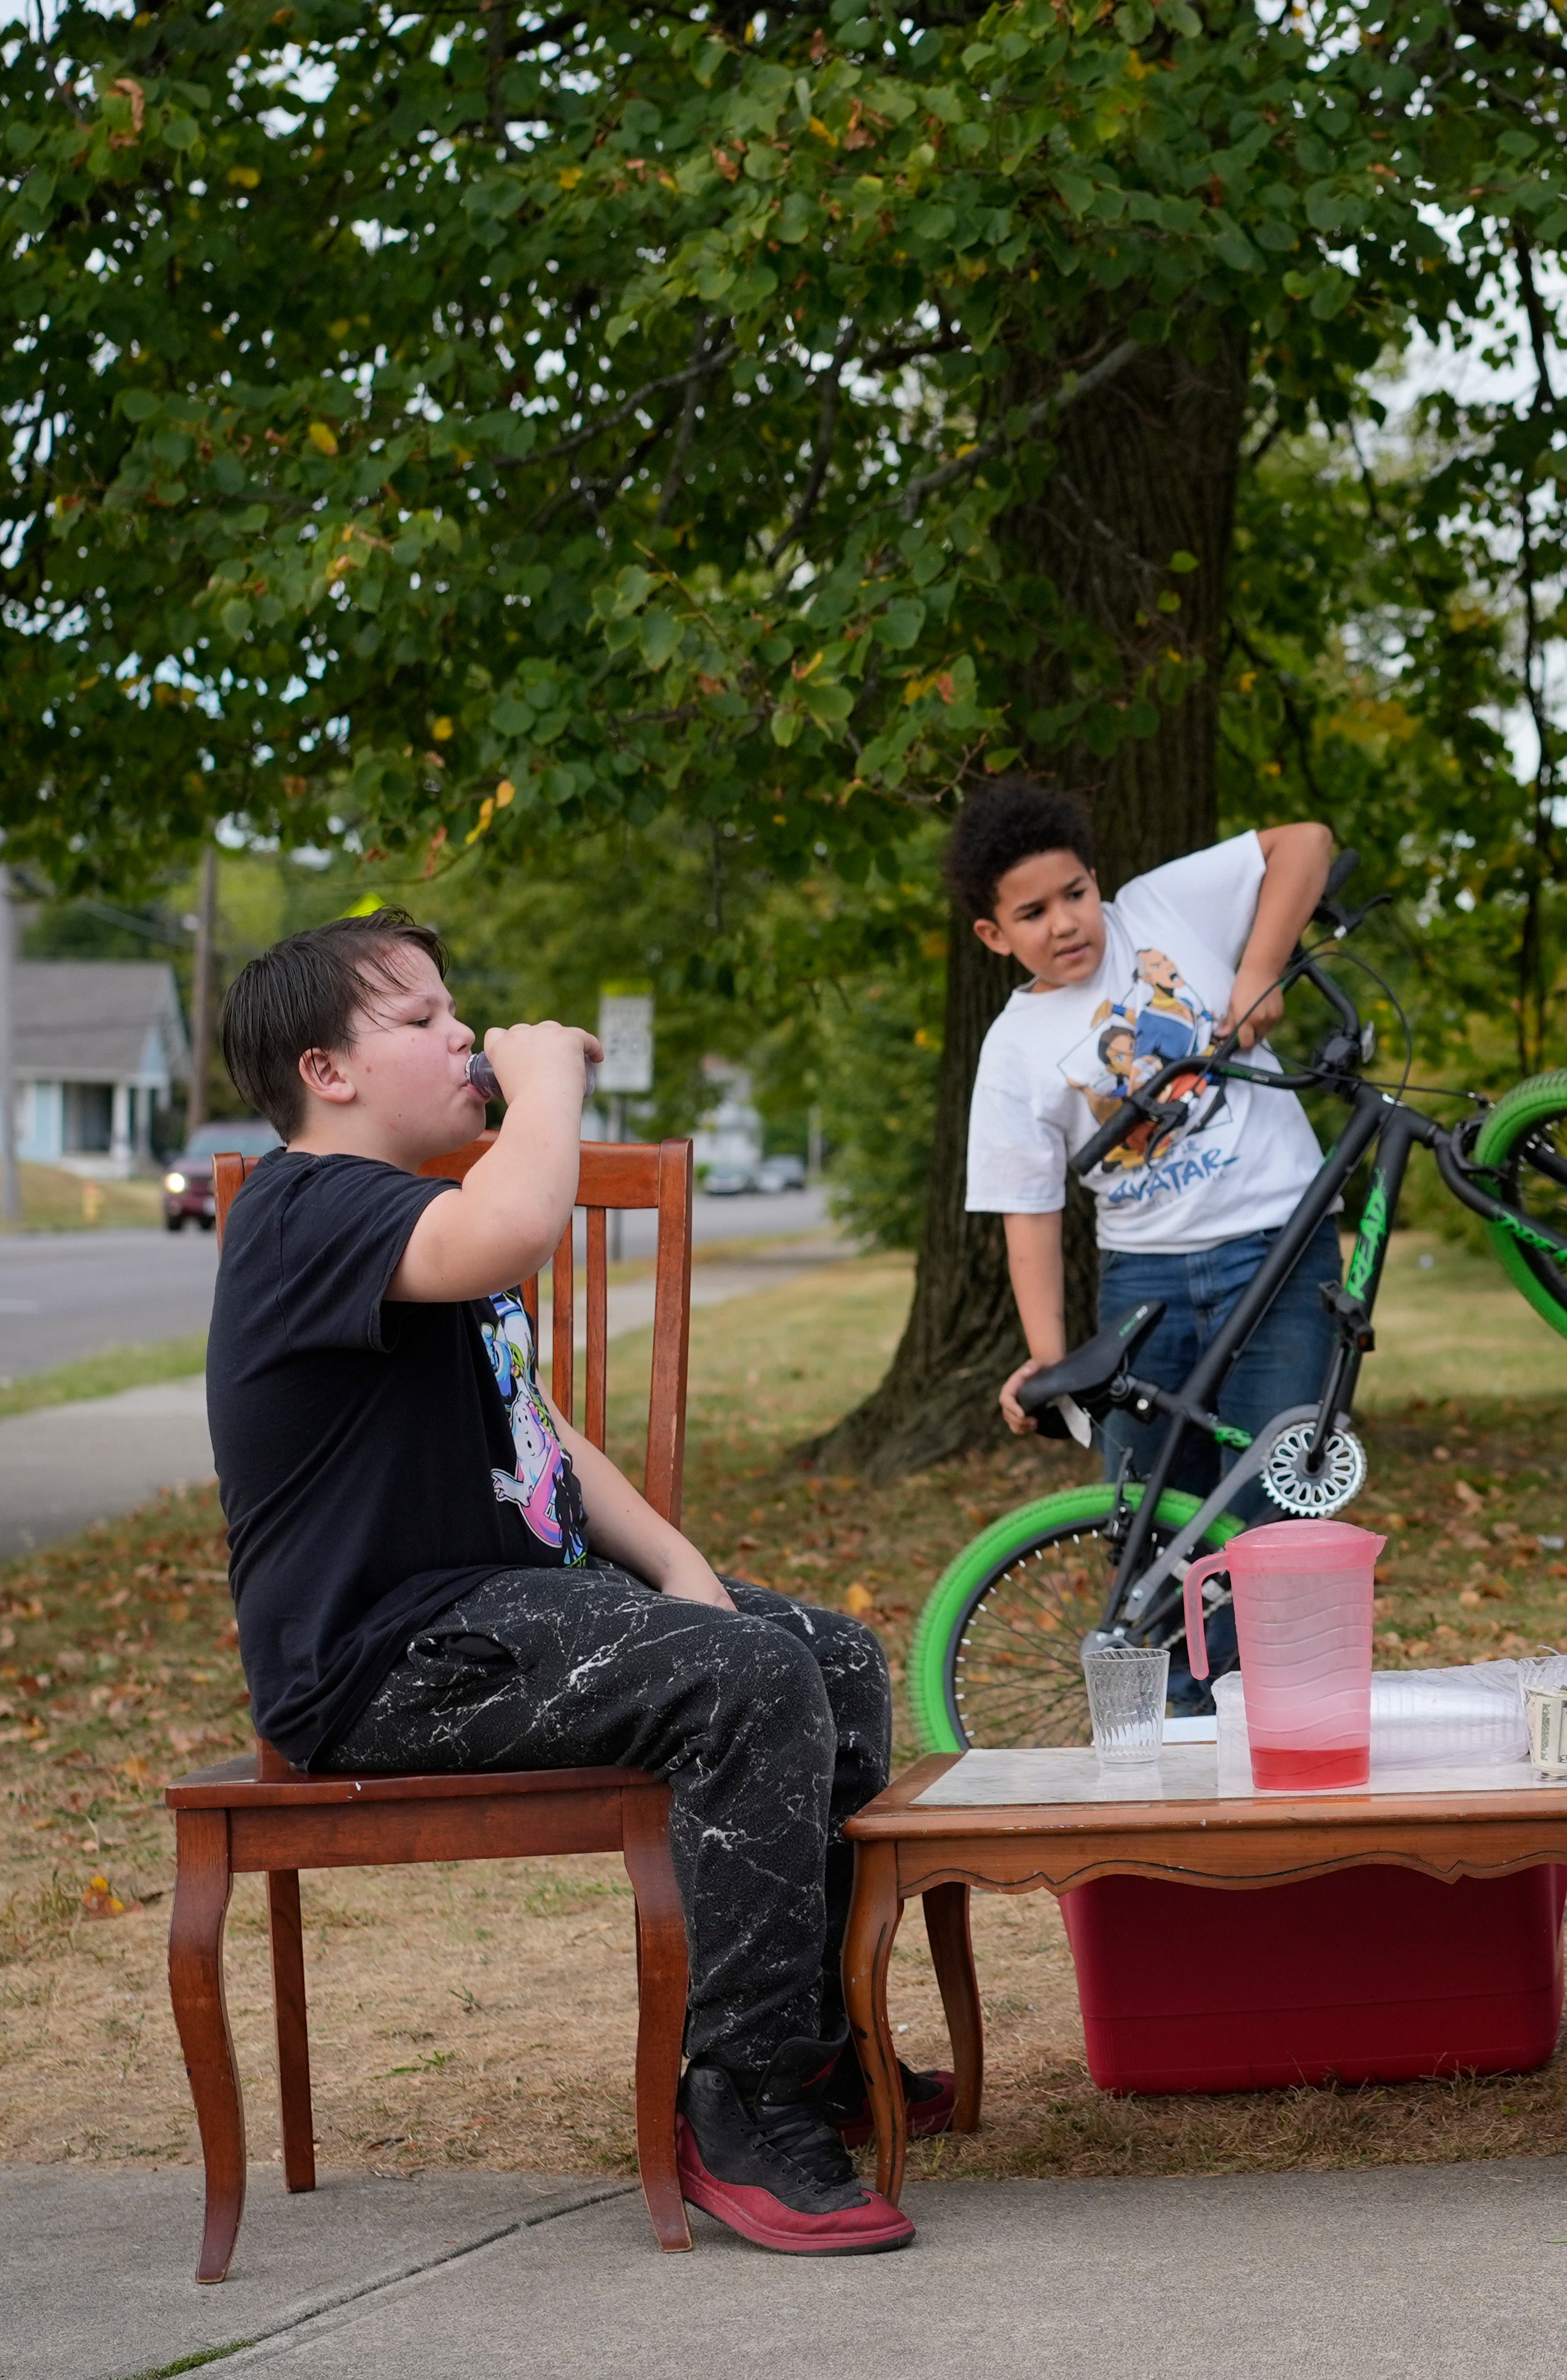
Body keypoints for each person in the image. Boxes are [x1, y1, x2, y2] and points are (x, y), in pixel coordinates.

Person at [206, 913, 927, 2258]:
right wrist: (549, 1090)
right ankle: (740, 2104)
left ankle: (811, 2048)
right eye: (421, 1018)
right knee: (750, 1677)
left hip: (498, 1620)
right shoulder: (306, 1210)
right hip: (384, 1663)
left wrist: (678, 1564)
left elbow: (530, 1417)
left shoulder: (406, 1218)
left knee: (823, 1654)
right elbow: (520, 1227)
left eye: (457, 1007)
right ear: (330, 1071)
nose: (464, 1031)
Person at [953, 779, 1339, 1593]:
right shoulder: (1012, 1048)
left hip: (1278, 1249)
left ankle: (1266, 1708)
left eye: (1075, 893)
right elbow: (1029, 1211)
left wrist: (1259, 972)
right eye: (1032, 914)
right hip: (1145, 1282)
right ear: (993, 935)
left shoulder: (1161, 910)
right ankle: (1181, 1708)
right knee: (1148, 1521)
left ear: (1096, 879)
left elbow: (1304, 841)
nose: (1064, 922)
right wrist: (1052, 1359)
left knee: (1280, 1502)